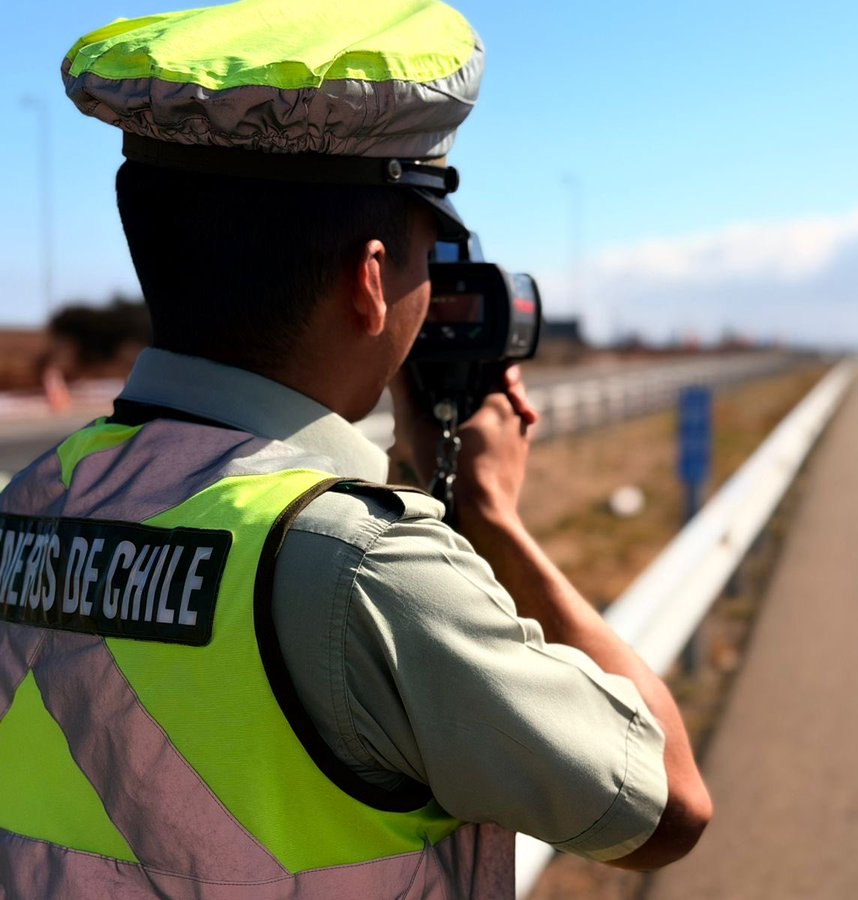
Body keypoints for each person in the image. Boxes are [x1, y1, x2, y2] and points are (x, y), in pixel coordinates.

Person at [0, 1, 710, 897]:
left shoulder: (30, 503)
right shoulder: (363, 567)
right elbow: (666, 806)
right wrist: (490, 520)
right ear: (371, 282)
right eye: (426, 260)